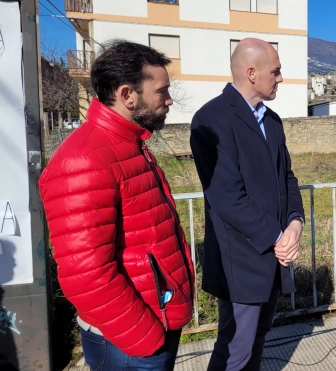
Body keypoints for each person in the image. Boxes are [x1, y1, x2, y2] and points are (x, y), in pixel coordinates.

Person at [39, 40, 194, 370]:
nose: (169, 100)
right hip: (129, 340)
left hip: (152, 323)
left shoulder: (127, 143)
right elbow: (86, 274)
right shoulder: (85, 159)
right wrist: (146, 338)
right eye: (161, 91)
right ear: (128, 95)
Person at [190, 38, 304, 371]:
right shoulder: (210, 120)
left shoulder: (272, 121)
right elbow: (225, 196)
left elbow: (288, 179)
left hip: (272, 256)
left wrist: (295, 222)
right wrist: (277, 236)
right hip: (239, 260)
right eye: (276, 71)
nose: (281, 78)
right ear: (252, 72)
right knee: (236, 349)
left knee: (257, 338)